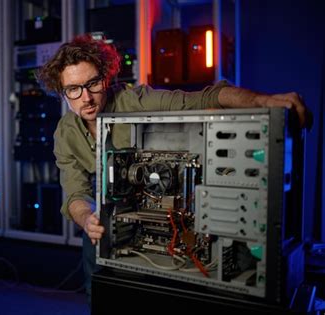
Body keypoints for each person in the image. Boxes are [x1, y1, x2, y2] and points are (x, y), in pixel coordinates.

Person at [36, 34, 311, 306]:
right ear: (62, 93)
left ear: (106, 78)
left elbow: (205, 98)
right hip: (114, 218)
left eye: (92, 83)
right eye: (73, 89)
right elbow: (75, 192)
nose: (86, 97)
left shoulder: (134, 101)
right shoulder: (66, 132)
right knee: (100, 276)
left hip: (170, 216)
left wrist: (263, 102)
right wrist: (87, 219)